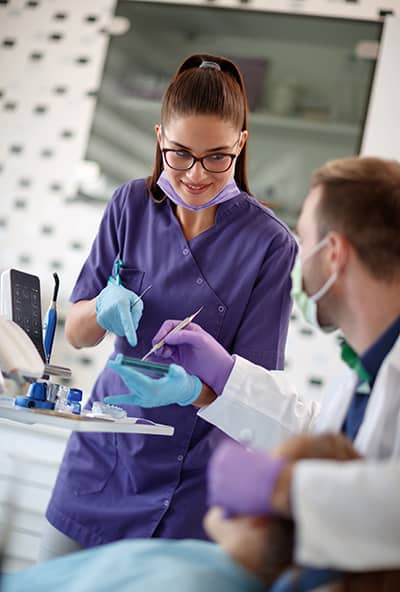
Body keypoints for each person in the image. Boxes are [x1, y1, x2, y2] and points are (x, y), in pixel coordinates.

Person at [40, 53, 297, 559]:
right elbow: (78, 333)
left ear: (240, 144)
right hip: (102, 453)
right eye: (180, 153)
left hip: (189, 485)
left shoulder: (270, 244)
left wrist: (190, 390)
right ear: (160, 138)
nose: (196, 174)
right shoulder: (129, 205)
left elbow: (255, 390)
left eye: (217, 156)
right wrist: (100, 308)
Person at [105, 155, 400, 568]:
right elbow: (319, 437)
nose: (297, 265)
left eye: (303, 239)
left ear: (333, 254)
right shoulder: (369, 368)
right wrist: (220, 379)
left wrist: (283, 485)